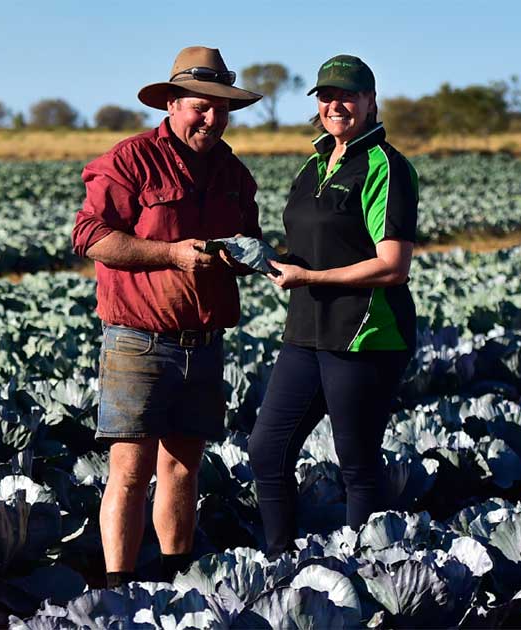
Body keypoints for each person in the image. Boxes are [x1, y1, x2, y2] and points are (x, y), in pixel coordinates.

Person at [70, 46, 263, 586]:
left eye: (221, 109)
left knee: (182, 468)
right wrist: (174, 253)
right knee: (130, 472)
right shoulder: (130, 160)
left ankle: (176, 580)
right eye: (200, 106)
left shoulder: (232, 172)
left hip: (202, 342)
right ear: (173, 104)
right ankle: (118, 587)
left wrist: (253, 258)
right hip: (139, 340)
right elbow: (92, 237)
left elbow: (249, 239)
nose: (212, 119)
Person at [247, 54, 419, 556]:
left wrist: (311, 277)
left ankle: (366, 572)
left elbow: (392, 265)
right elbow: (309, 243)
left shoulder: (385, 167)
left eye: (347, 95)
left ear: (370, 101)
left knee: (357, 461)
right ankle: (280, 563)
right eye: (325, 95)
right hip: (306, 328)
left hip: (365, 332)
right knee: (266, 450)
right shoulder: (315, 163)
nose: (335, 104)